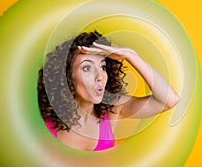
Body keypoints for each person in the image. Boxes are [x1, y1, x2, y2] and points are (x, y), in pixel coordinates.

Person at [38, 31, 179, 151]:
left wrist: (131, 55)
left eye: (103, 67)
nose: (100, 76)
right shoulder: (41, 119)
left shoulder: (113, 109)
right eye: (87, 68)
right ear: (66, 76)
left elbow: (170, 100)